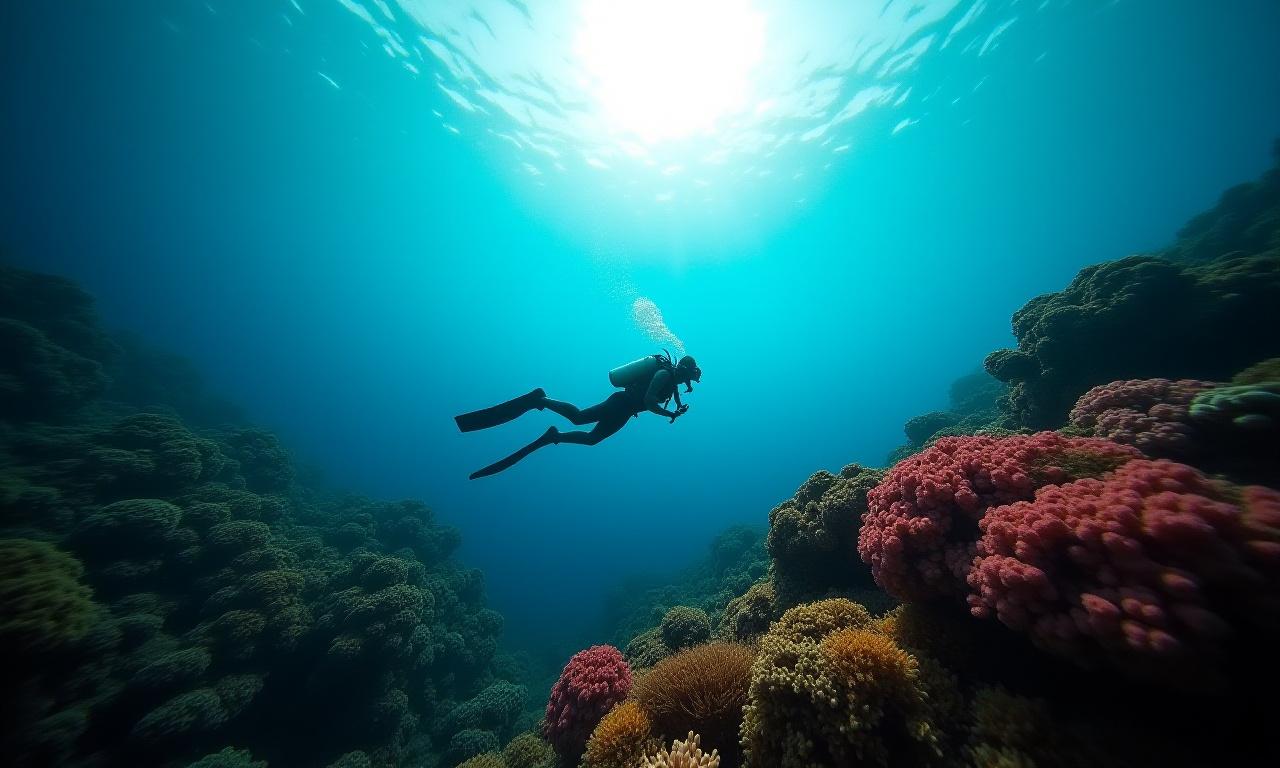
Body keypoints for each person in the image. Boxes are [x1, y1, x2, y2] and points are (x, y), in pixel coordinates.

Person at [454, 353, 702, 479]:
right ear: (683, 370)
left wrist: (678, 408)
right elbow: (649, 401)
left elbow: (674, 396)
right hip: (621, 404)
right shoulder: (663, 375)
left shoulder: (674, 382)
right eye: (690, 377)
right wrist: (669, 412)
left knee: (592, 439)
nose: (688, 382)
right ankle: (540, 399)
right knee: (579, 417)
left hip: (626, 412)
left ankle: (554, 436)